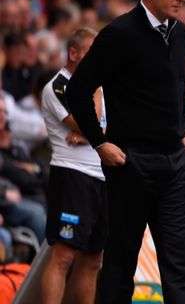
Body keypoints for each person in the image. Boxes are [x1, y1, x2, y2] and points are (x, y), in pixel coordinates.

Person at [66, 0, 185, 303]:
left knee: (181, 262)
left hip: (174, 163)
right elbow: (78, 90)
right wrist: (99, 143)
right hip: (130, 162)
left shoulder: (180, 33)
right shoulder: (119, 34)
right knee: (121, 261)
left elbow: (179, 84)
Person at [40, 27, 106, 304]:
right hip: (72, 175)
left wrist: (92, 133)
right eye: (93, 53)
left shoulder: (99, 87)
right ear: (73, 53)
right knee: (64, 255)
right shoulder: (58, 87)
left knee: (93, 259)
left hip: (103, 177)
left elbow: (107, 129)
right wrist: (91, 131)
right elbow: (89, 124)